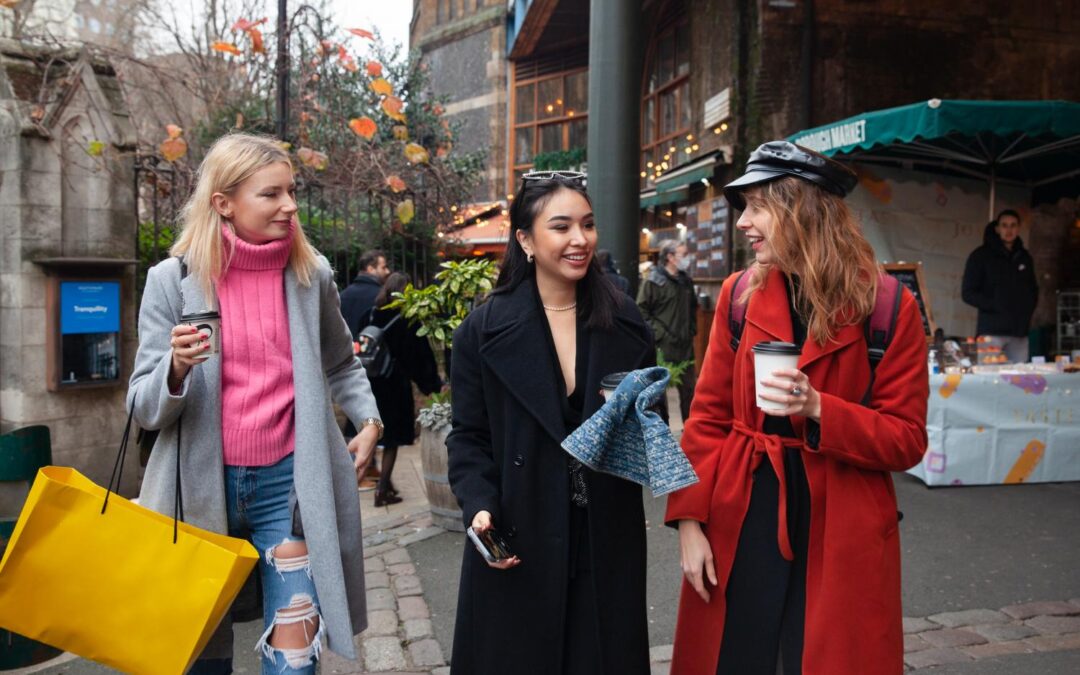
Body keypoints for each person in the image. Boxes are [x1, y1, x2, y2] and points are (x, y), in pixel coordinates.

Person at [665, 141, 928, 675]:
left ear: (802, 211)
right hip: (745, 505)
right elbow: (707, 419)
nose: (744, 222)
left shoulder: (888, 308)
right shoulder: (738, 296)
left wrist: (820, 410)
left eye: (759, 207)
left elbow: (907, 439)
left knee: (828, 656)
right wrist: (689, 522)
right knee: (737, 654)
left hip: (843, 517)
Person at [128, 133, 383, 674]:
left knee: (294, 658)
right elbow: (143, 407)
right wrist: (174, 368)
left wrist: (369, 418)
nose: (289, 206)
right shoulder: (171, 282)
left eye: (291, 191)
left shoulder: (310, 278)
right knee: (197, 655)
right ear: (224, 202)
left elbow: (341, 363)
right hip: (197, 492)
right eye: (271, 194)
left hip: (289, 489)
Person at [446, 170, 655, 675]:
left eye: (588, 225)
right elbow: (469, 436)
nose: (579, 240)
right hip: (519, 529)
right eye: (561, 227)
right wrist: (479, 506)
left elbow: (651, 428)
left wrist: (633, 423)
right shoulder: (482, 330)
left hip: (604, 533)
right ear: (526, 240)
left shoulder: (627, 322)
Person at [365, 271, 443, 506]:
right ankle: (381, 490)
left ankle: (384, 484)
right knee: (392, 439)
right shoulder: (406, 318)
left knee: (377, 433)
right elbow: (418, 356)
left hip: (371, 382)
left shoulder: (372, 313)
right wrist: (431, 385)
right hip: (394, 384)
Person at [339, 248, 392, 488]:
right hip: (375, 366)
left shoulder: (344, 294)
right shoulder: (378, 295)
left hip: (346, 359)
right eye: (383, 266)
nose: (387, 271)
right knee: (372, 416)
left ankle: (357, 468)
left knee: (353, 419)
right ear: (370, 268)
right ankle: (367, 469)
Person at [961, 209, 1038, 363]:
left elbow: (1033, 290)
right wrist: (995, 304)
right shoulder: (980, 256)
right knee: (987, 379)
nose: (1009, 230)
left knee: (1020, 380)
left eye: (1013, 225)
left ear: (1018, 228)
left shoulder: (1024, 257)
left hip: (1019, 332)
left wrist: (1026, 312)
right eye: (1004, 225)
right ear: (997, 228)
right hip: (991, 331)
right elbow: (968, 292)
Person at [637, 240, 699, 422]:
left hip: (685, 346)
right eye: (683, 254)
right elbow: (641, 311)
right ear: (670, 257)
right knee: (660, 395)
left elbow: (693, 307)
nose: (687, 259)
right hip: (662, 347)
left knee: (689, 392)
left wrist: (692, 330)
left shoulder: (686, 281)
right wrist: (658, 334)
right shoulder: (653, 281)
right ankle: (663, 435)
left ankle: (690, 432)